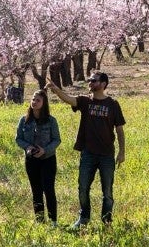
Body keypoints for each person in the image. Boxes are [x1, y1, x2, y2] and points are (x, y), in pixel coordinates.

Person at [48, 70, 125, 228]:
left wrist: (122, 152)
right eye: (89, 80)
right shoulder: (85, 101)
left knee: (108, 192)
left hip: (107, 155)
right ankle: (84, 218)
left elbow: (119, 130)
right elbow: (69, 100)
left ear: (103, 84)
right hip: (88, 153)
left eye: (94, 80)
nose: (90, 83)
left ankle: (106, 221)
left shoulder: (113, 104)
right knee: (83, 187)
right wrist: (55, 89)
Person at [15, 89, 61, 222]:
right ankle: (40, 220)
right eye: (33, 99)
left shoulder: (51, 121)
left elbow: (57, 140)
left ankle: (53, 221)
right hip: (31, 160)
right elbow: (18, 138)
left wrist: (45, 150)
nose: (34, 102)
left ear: (44, 103)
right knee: (36, 191)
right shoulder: (24, 120)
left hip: (48, 159)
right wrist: (27, 147)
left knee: (49, 190)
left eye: (38, 100)